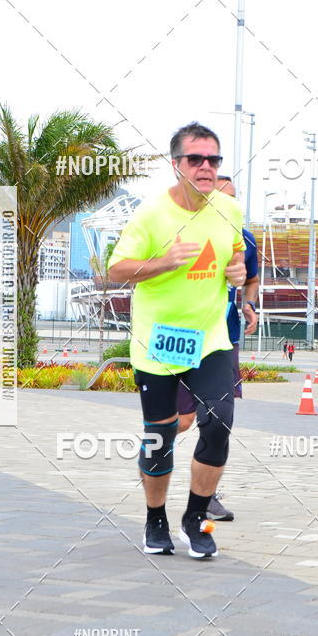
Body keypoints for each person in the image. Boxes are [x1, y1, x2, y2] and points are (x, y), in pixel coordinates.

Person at [108, 122, 246, 559]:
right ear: (177, 165)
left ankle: (196, 519)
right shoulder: (151, 214)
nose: (206, 167)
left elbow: (236, 252)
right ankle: (155, 520)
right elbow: (117, 271)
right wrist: (163, 261)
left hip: (210, 338)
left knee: (219, 422)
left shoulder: (230, 209)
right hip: (159, 341)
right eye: (196, 159)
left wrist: (238, 271)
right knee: (161, 435)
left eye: (214, 159)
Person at [176, 174, 259, 523]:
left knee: (218, 421)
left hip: (223, 341)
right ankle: (153, 461)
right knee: (179, 421)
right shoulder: (181, 233)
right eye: (222, 198)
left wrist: (249, 304)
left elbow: (252, 278)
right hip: (179, 338)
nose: (229, 206)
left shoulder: (245, 239)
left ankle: (205, 497)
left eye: (234, 199)